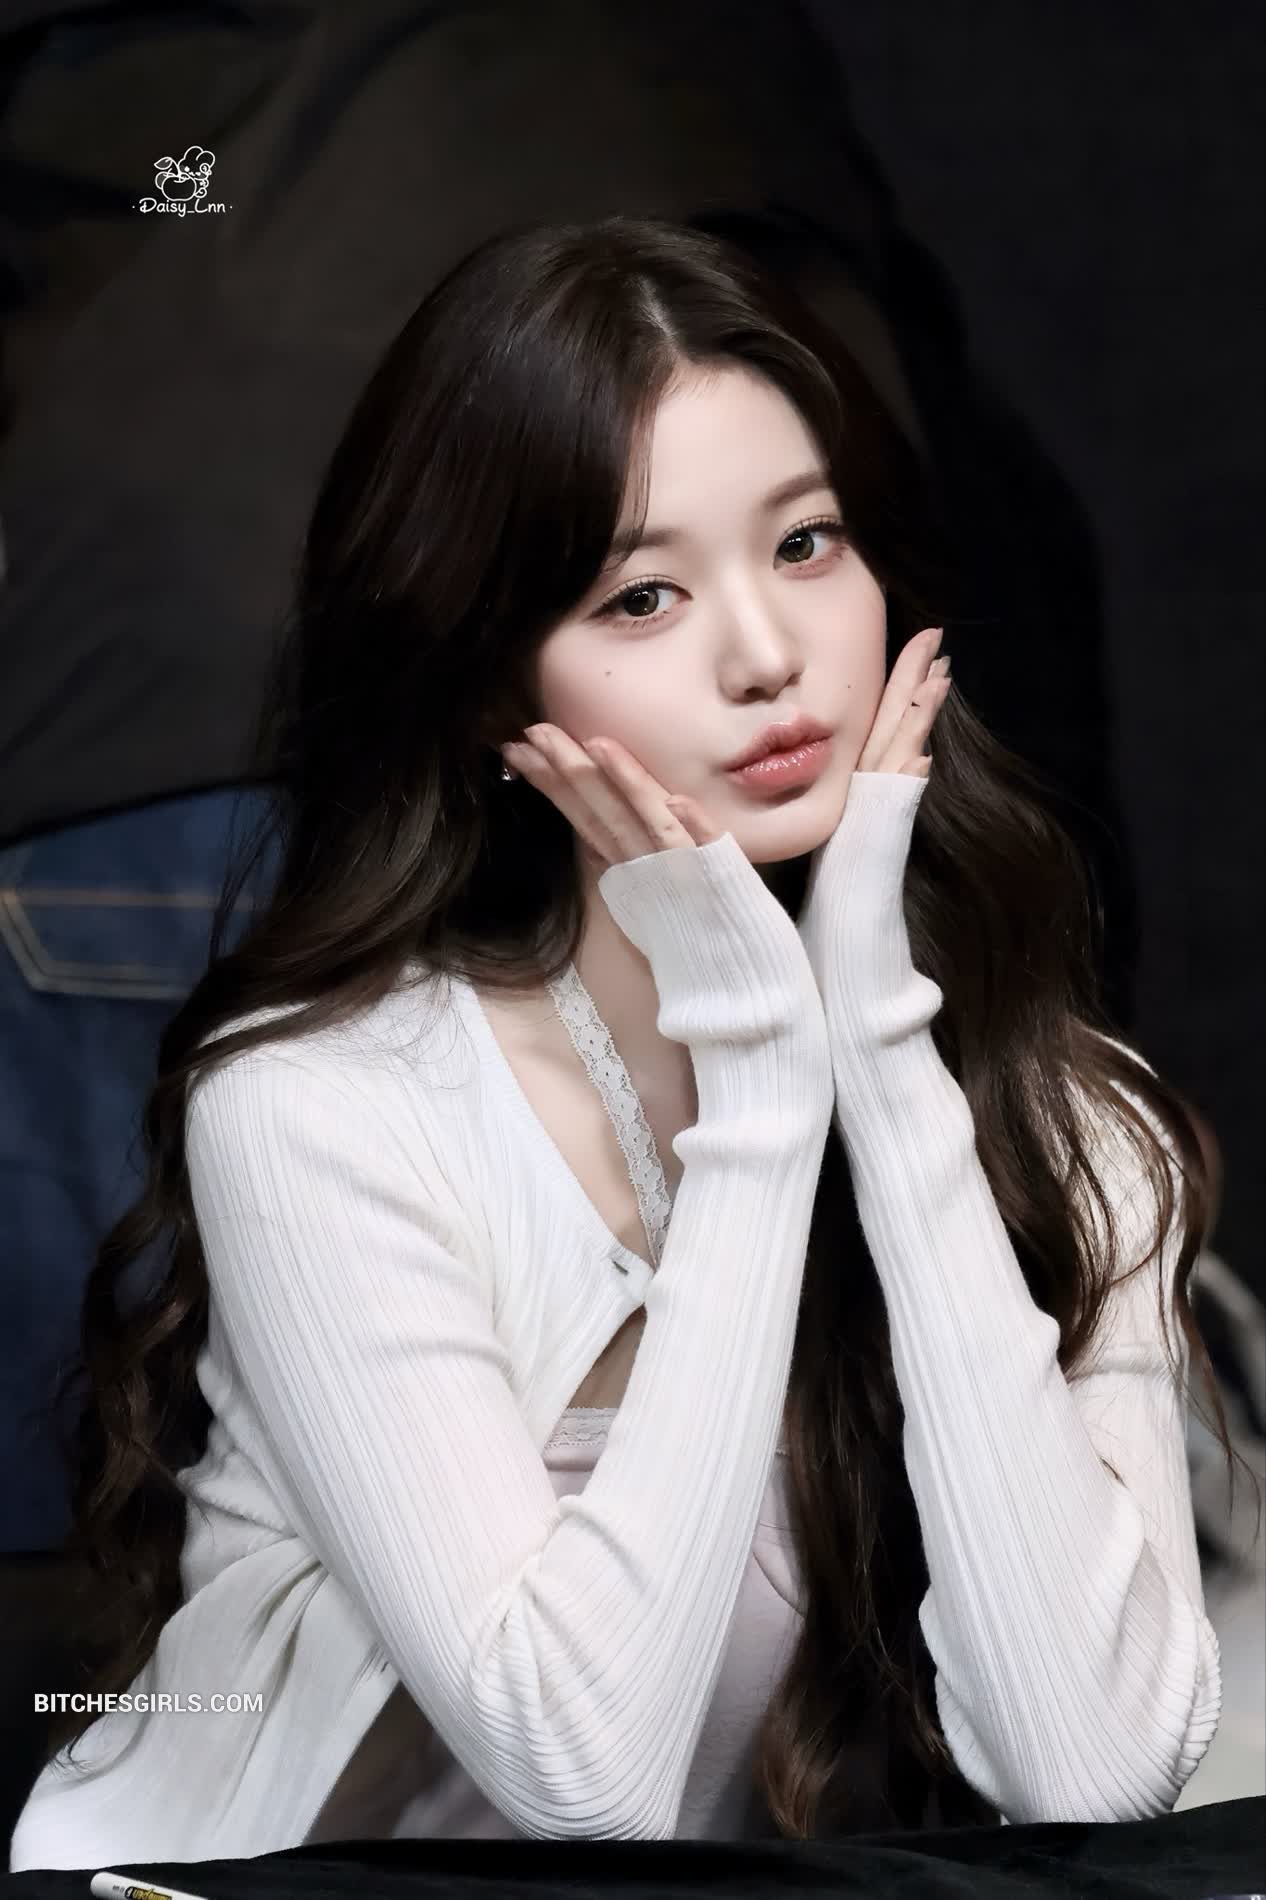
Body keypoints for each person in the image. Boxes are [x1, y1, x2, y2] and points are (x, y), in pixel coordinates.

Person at [9, 214, 1237, 1868]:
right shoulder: (326, 1108)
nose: (766, 656)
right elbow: (587, 1786)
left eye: (805, 544)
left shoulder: (1075, 1119)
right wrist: (760, 1080)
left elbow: (1089, 1782)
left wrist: (882, 1069)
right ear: (488, 687)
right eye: (641, 595)